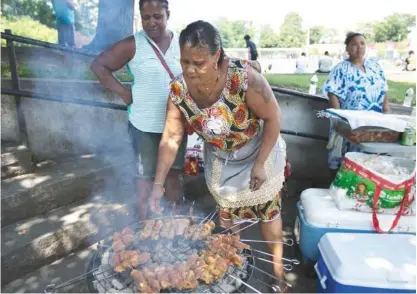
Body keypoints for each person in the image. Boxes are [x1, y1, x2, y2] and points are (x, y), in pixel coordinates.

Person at [148, 21, 289, 292]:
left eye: (198, 63)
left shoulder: (244, 79)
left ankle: (279, 275)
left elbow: (273, 118)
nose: (190, 70)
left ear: (217, 56)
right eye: (185, 61)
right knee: (227, 215)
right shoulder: (178, 91)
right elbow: (171, 138)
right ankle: (234, 269)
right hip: (221, 157)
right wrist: (158, 185)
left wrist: (260, 164)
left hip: (259, 151)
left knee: (268, 212)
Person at [91, 0, 186, 220]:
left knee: (173, 176)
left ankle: (175, 227)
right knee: (144, 179)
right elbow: (98, 65)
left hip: (175, 126)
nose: (152, 22)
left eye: (158, 16)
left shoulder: (182, 43)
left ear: (168, 14)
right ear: (140, 17)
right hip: (143, 126)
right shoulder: (132, 45)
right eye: (146, 17)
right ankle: (144, 229)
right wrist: (123, 92)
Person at [322, 32, 390, 170]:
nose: (359, 47)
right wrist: (341, 123)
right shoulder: (341, 69)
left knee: (370, 165)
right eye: (354, 44)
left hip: (374, 125)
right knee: (347, 165)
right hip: (351, 126)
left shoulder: (375, 67)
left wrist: (387, 111)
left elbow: (384, 89)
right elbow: (332, 94)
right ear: (347, 48)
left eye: (362, 43)